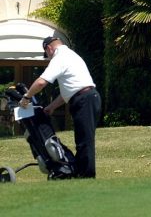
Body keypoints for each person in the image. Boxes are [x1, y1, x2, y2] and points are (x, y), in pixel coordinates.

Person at [18, 36, 101, 178]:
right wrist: (51, 107)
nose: (48, 58)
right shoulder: (70, 55)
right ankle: (81, 173)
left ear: (49, 48)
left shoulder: (59, 58)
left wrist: (26, 97)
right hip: (87, 97)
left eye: (47, 55)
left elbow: (41, 83)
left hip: (84, 99)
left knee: (84, 140)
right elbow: (68, 91)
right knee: (82, 139)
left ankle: (87, 176)